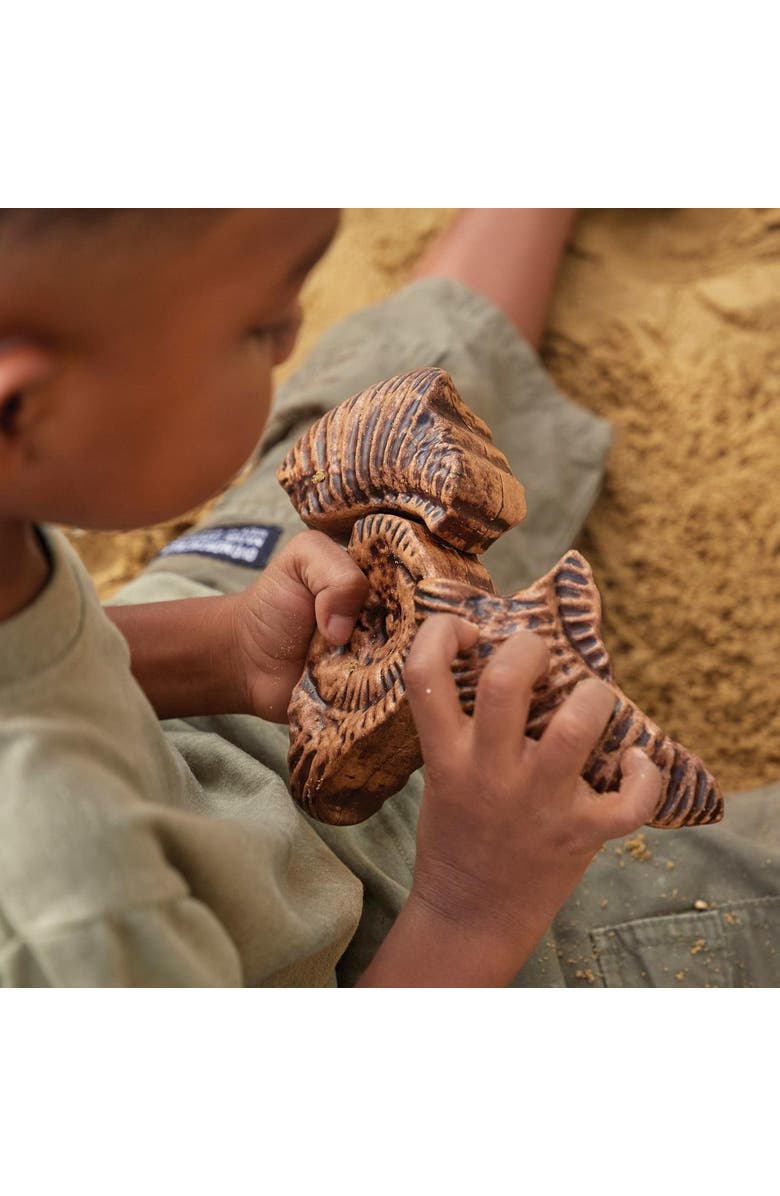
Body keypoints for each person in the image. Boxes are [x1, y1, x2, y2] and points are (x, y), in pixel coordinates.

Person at [0, 210, 776, 986]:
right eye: (260, 329)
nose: (292, 334)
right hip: (378, 934)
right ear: (20, 409)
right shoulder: (77, 918)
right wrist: (472, 904)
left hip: (195, 721)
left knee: (404, 401)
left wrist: (227, 647)